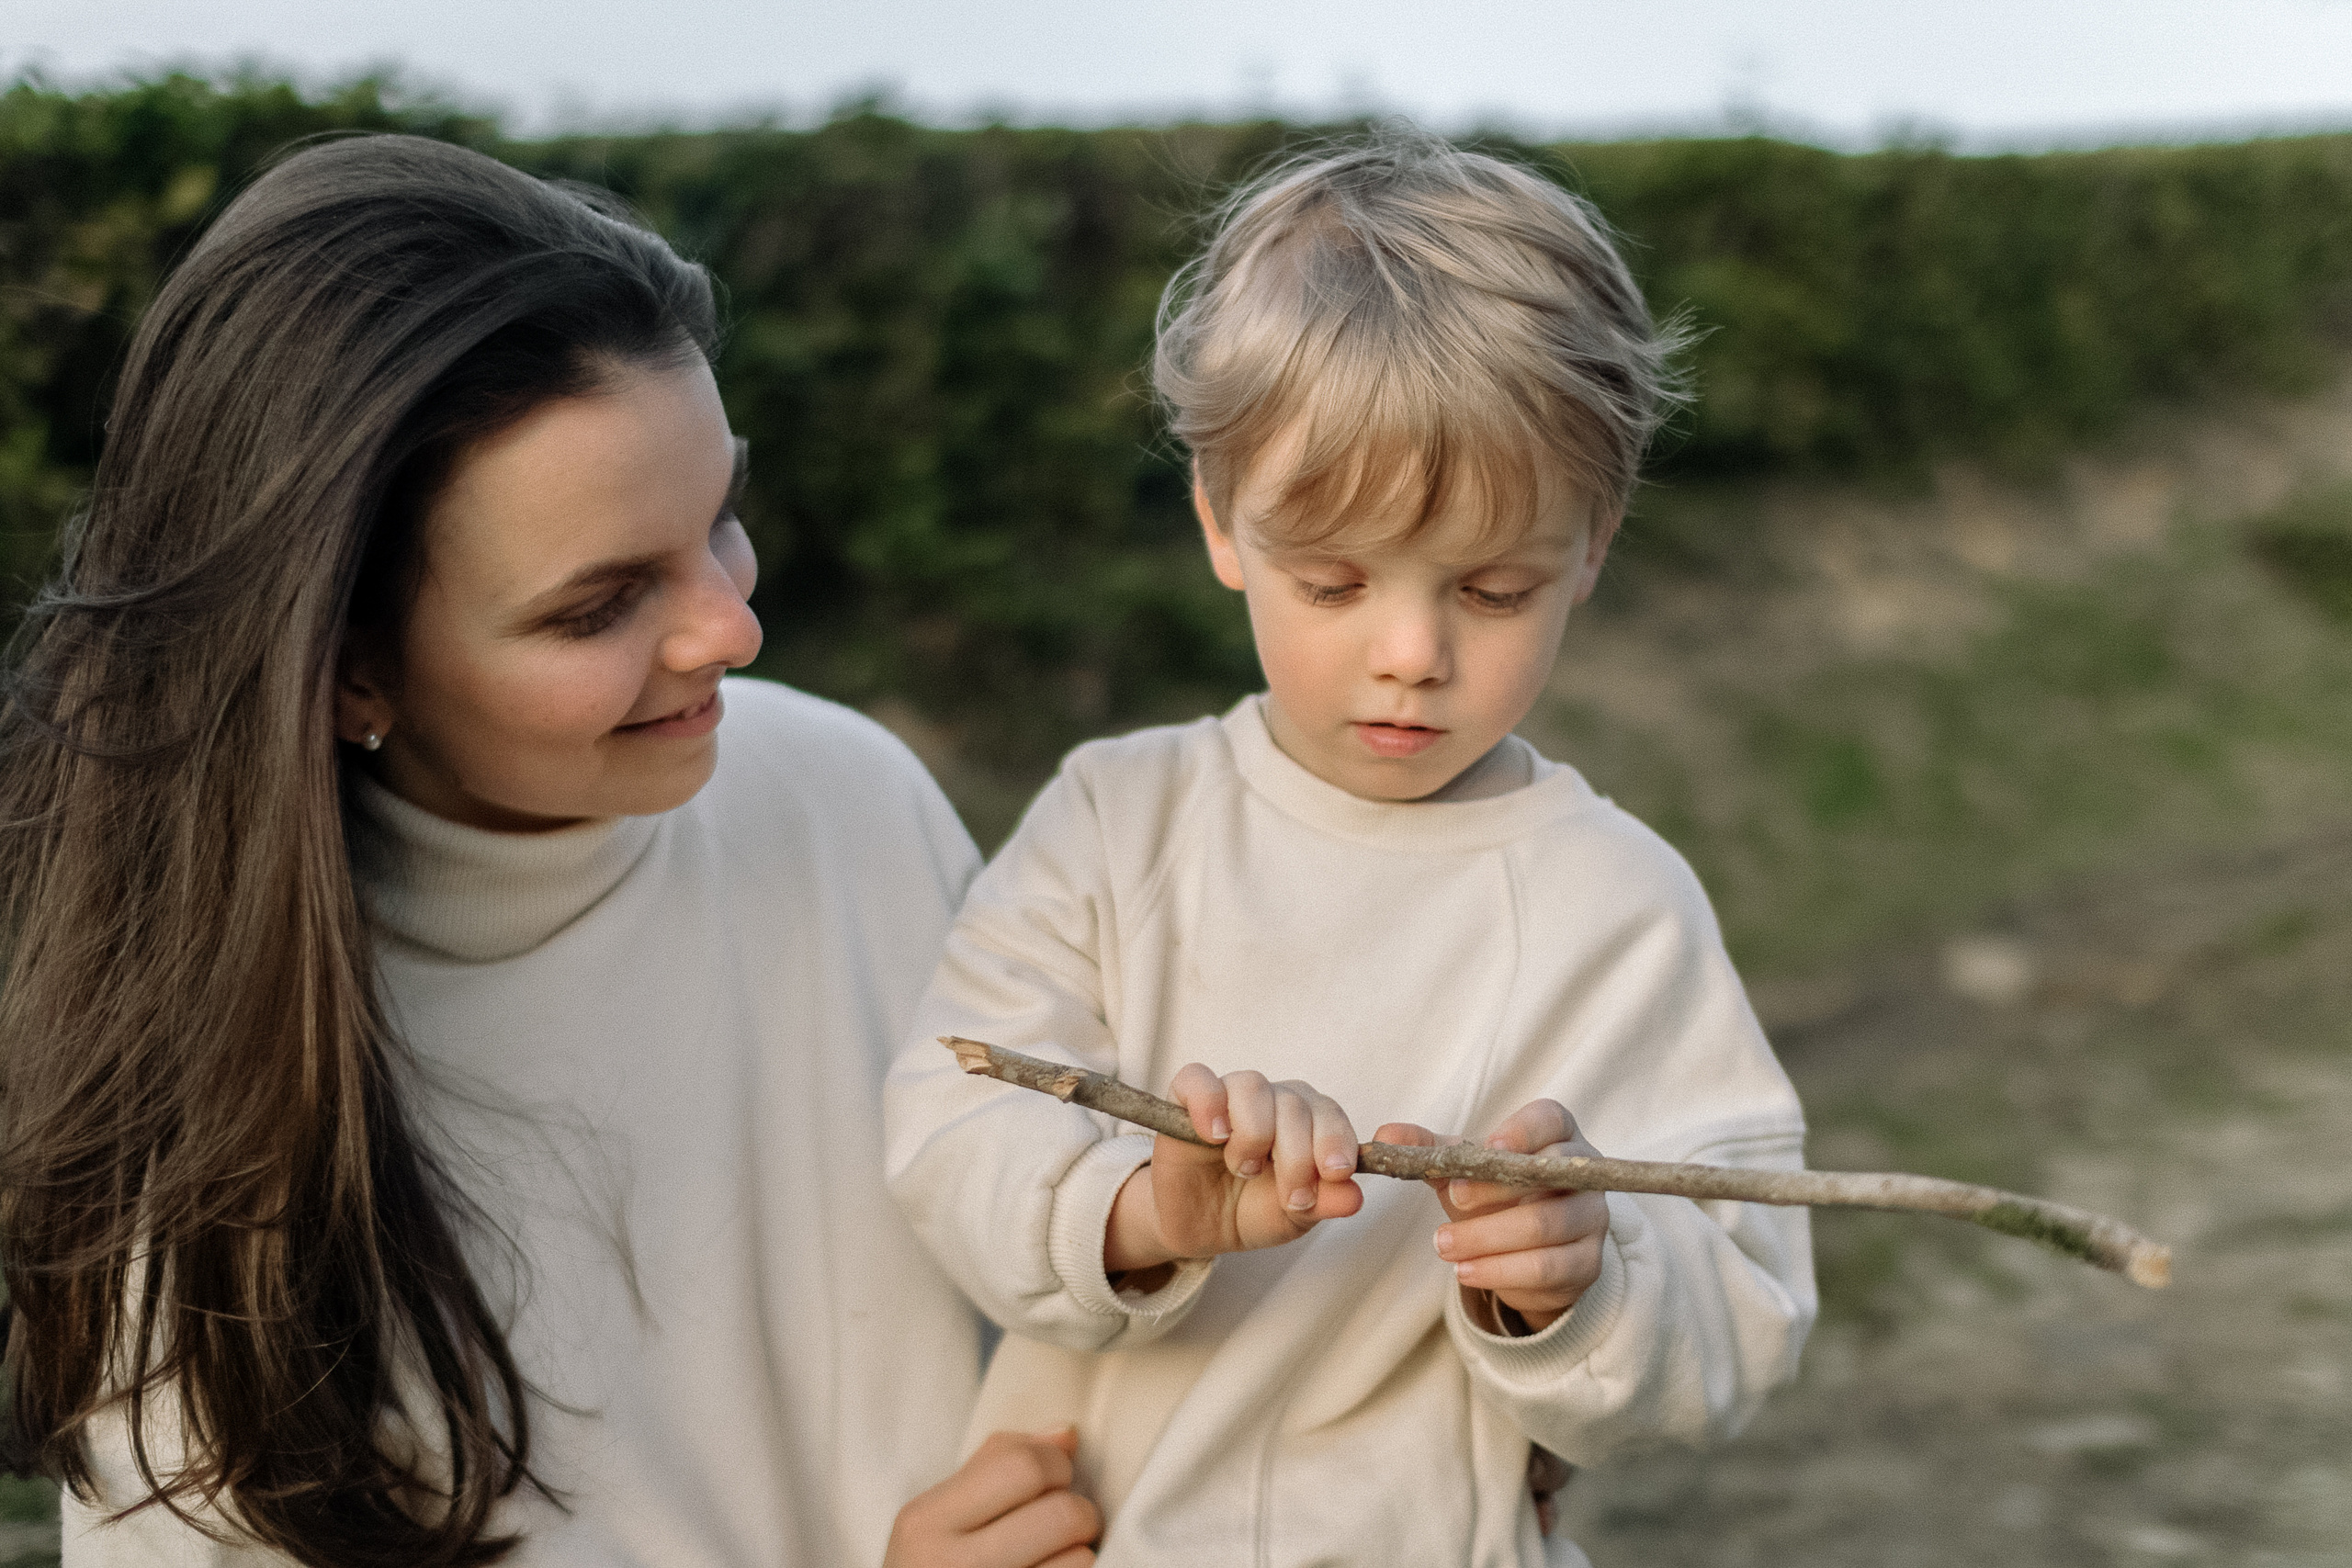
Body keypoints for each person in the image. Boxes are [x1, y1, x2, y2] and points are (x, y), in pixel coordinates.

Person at [0, 134, 1097, 1568]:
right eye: (599, 606)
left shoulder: (847, 799)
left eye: (721, 522)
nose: (731, 632)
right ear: (343, 673)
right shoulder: (195, 1154)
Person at [884, 131, 1817, 1566]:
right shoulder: (1113, 821)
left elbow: (1748, 1306)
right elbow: (950, 1131)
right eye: (1332, 580)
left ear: (1593, 547)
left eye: (1493, 588)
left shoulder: (1618, 908)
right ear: (1220, 523)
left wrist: (1581, 1283)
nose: (1410, 654)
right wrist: (1153, 1207)